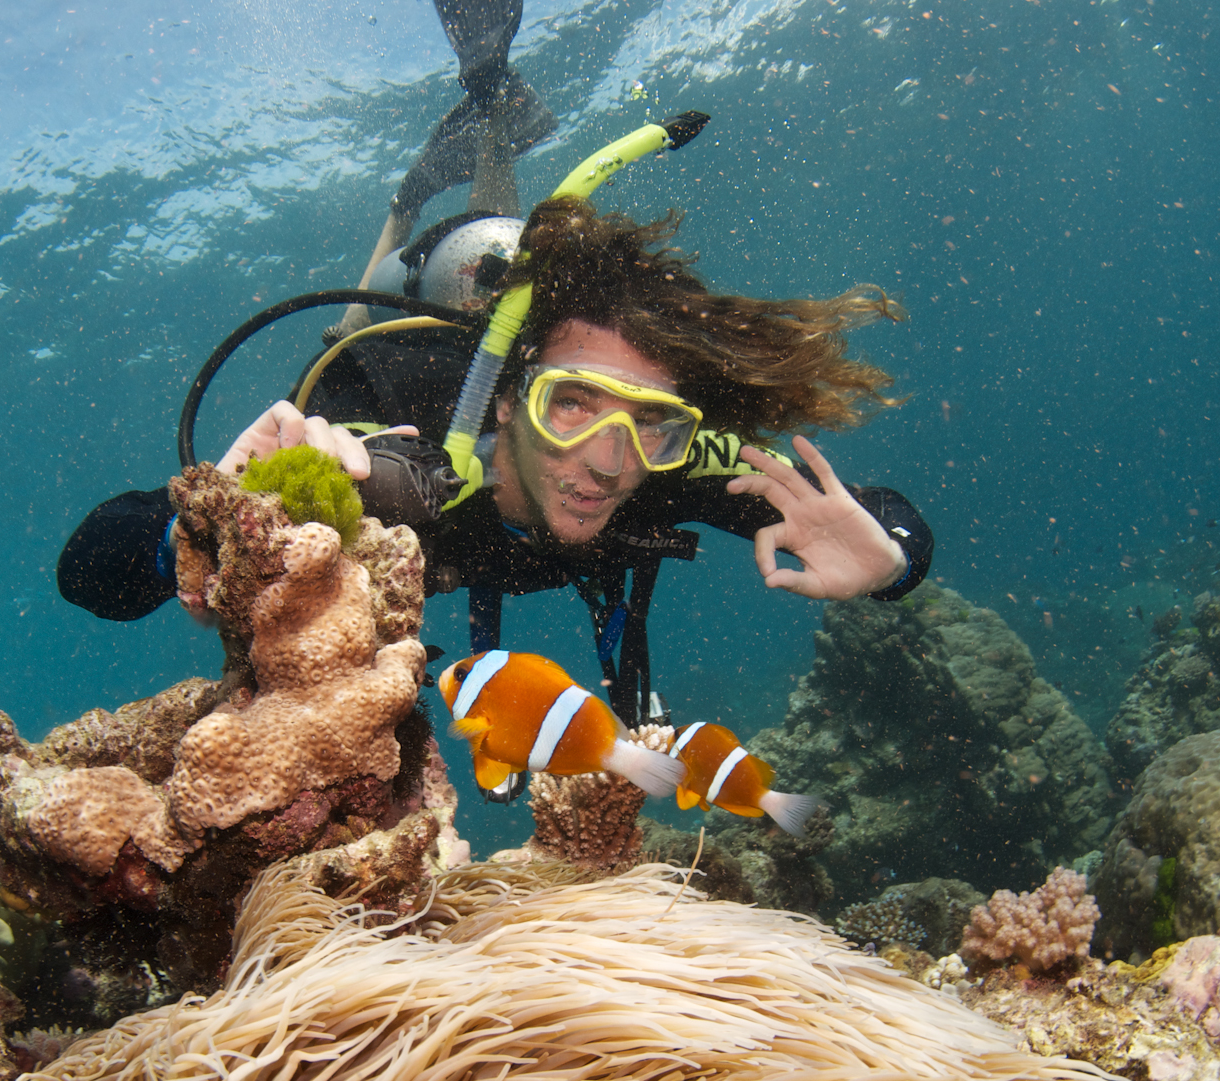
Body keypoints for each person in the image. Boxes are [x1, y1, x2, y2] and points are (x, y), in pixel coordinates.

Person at [56, 3, 933, 737]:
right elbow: (87, 568)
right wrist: (202, 529)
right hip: (430, 322)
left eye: (648, 420)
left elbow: (881, 519)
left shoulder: (660, 463)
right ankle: (411, 199)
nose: (606, 459)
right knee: (408, 284)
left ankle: (488, 112)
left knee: (515, 255)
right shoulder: (388, 425)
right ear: (510, 401)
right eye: (572, 403)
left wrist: (887, 559)